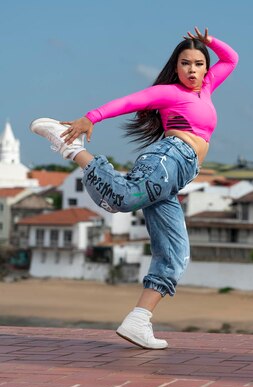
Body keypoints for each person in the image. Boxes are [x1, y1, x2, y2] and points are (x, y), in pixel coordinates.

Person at [30, 27, 238, 349]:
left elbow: (232, 58)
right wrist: (91, 117)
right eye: (185, 63)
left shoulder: (207, 88)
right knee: (121, 199)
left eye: (198, 63)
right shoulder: (170, 92)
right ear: (176, 67)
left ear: (206, 68)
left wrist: (210, 42)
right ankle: (70, 147)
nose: (192, 70)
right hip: (168, 159)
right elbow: (131, 101)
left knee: (175, 254)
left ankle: (139, 320)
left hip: (177, 177)